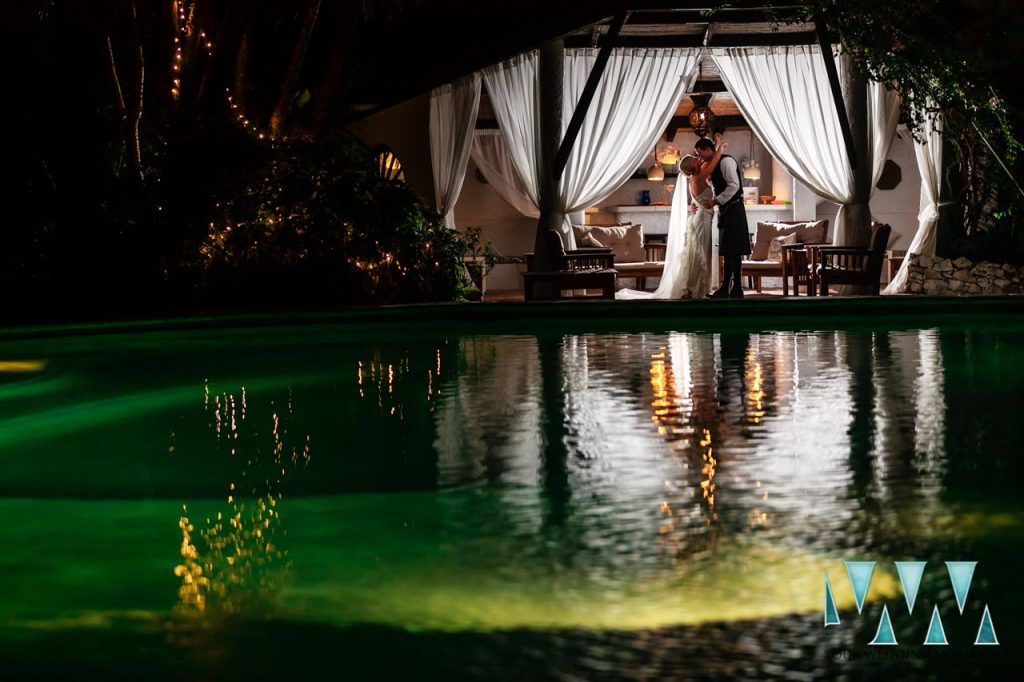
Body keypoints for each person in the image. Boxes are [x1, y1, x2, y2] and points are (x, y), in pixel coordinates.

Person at [694, 135, 750, 298]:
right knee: (729, 251)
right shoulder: (715, 164)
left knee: (734, 250)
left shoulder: (726, 161)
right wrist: (712, 186)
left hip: (734, 209)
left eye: (699, 153)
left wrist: (715, 200)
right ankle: (731, 288)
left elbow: (734, 186)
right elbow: (721, 185)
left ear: (707, 149)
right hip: (726, 210)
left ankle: (732, 288)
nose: (699, 157)